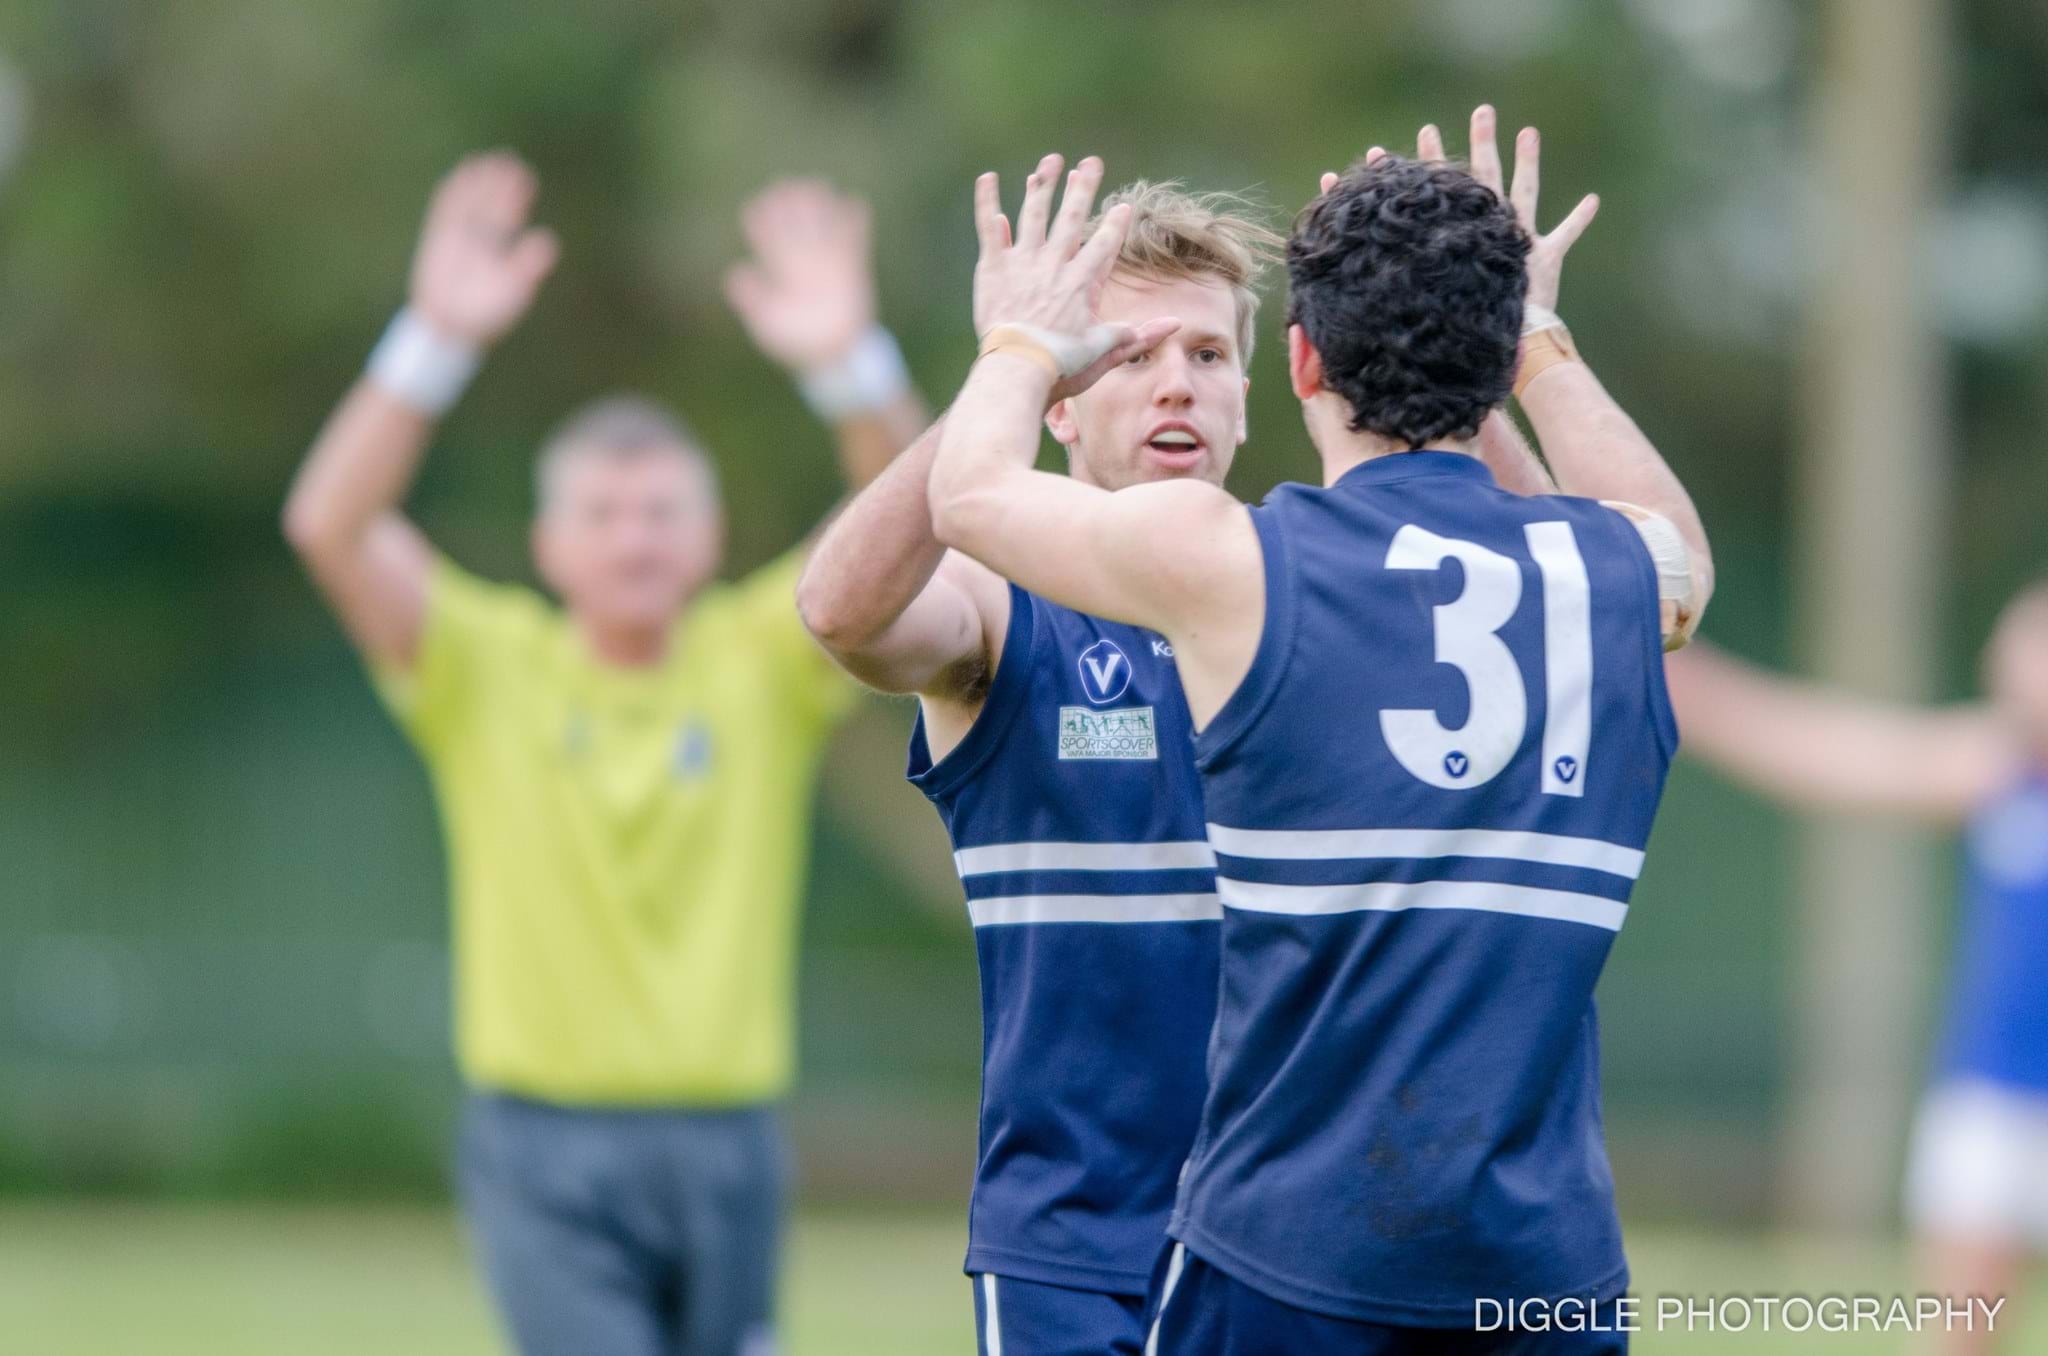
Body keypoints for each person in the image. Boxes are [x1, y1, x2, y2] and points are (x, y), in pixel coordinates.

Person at [925, 109, 1710, 1353]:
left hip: (1285, 1257)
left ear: (1296, 365)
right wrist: (1534, 343)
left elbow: (967, 494)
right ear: (1495, 363)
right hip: (1543, 1265)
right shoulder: (1615, 575)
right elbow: (1675, 547)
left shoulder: (1236, 560)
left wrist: (1023, 339)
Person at [797, 134, 1557, 1355]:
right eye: (1125, 354)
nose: (1174, 386)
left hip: (1305, 1246)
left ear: (1258, 389)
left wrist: (1473, 336)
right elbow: (842, 612)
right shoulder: (1004, 606)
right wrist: (1007, 357)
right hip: (1078, 1243)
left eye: (1206, 355)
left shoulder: (1309, 586)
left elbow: (1547, 586)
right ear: (1055, 402)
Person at [281, 152, 923, 1356]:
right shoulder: (482, 663)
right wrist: (433, 341)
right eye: (602, 513)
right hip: (544, 1144)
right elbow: (330, 523)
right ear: (547, 541)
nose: (633, 539)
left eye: (660, 511)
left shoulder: (762, 659)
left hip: (730, 1143)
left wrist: (849, 364)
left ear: (709, 534)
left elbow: (914, 521)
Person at [1666, 589, 2048, 1356]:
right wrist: (1676, 679)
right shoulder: (1999, 768)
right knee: (1959, 1335)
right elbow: (1828, 752)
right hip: (1994, 1101)